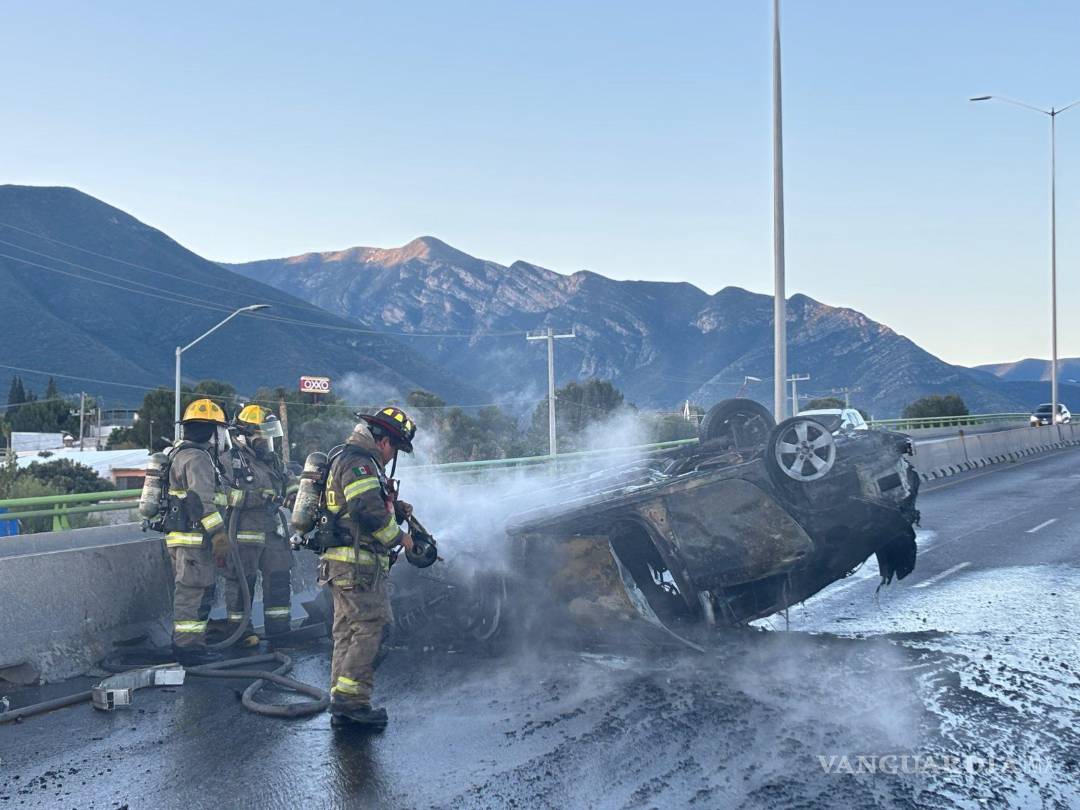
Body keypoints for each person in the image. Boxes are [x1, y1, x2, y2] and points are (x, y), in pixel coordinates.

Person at [319, 406, 417, 729]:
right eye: (396, 449)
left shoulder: (353, 459)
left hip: (343, 566)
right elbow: (365, 510)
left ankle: (342, 700)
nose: (392, 457)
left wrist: (396, 508)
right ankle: (353, 703)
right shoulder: (360, 462)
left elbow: (361, 505)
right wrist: (399, 537)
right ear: (384, 441)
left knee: (348, 631)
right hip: (356, 566)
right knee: (375, 627)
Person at [220, 404, 298, 642]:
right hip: (244, 534)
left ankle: (280, 631)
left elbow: (290, 482)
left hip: (273, 532)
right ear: (244, 436)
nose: (266, 441)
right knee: (242, 584)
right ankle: (240, 634)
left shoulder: (273, 461)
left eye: (268, 436)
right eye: (261, 436)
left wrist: (297, 496)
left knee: (280, 580)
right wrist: (259, 496)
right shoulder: (228, 461)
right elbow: (222, 495)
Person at [164, 398, 231, 665]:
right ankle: (188, 649)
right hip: (195, 540)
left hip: (182, 538)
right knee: (192, 592)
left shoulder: (179, 453)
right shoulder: (198, 458)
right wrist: (218, 534)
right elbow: (202, 501)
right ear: (213, 431)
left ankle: (193, 645)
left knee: (194, 590)